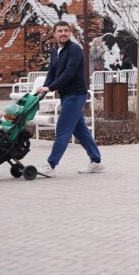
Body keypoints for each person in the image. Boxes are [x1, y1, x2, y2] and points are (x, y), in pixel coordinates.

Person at [36, 21, 105, 178]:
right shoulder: (55, 51)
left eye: (66, 30)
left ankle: (51, 165)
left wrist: (50, 88)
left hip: (76, 95)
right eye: (60, 31)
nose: (63, 33)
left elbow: (69, 72)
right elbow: (52, 73)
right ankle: (96, 161)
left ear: (70, 33)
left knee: (63, 129)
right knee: (80, 130)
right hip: (66, 95)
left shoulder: (74, 49)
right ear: (54, 34)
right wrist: (42, 91)